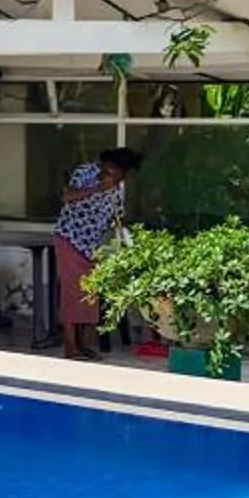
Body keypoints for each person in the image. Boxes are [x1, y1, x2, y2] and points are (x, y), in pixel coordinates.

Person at [51, 147, 144, 360]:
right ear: (111, 168)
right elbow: (67, 196)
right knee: (73, 294)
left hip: (92, 247)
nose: (122, 179)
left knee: (90, 295)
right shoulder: (86, 173)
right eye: (122, 174)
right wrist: (98, 188)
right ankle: (70, 347)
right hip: (70, 239)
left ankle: (83, 345)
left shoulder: (116, 191)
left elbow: (118, 219)